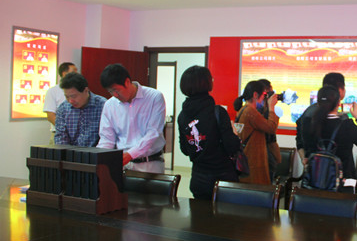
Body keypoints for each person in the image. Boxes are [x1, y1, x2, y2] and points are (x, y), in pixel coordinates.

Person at [177, 66, 241, 199]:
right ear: (206, 83)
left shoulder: (182, 116)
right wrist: (235, 135)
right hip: (223, 179)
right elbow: (232, 147)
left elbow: (185, 150)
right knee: (226, 213)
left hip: (198, 179)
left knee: (200, 212)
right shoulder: (218, 112)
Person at [97, 64, 166, 173]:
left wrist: (130, 154)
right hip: (123, 164)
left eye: (116, 90)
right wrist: (100, 159)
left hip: (150, 163)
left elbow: (153, 132)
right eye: (110, 91)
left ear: (127, 82)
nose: (115, 95)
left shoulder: (154, 97)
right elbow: (107, 139)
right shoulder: (110, 105)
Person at [302, 85, 357, 180]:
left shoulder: (307, 123)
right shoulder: (347, 125)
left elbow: (307, 149)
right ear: (338, 104)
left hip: (315, 179)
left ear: (318, 103)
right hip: (343, 180)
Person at [233, 80, 279, 184]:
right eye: (263, 95)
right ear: (255, 95)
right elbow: (271, 128)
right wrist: (271, 107)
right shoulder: (250, 112)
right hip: (253, 161)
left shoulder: (243, 110)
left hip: (247, 158)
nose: (264, 98)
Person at [295, 72, 346, 166]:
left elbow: (300, 142)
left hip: (315, 167)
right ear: (340, 90)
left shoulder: (309, 112)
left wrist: (305, 160)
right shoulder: (342, 119)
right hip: (337, 169)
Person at [54, 72, 107, 147]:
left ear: (86, 90)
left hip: (97, 152)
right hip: (69, 153)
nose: (70, 101)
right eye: (67, 97)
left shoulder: (103, 106)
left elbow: (108, 138)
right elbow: (60, 138)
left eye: (74, 96)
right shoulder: (63, 109)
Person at [43, 62, 77, 143]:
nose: (77, 74)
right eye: (74, 71)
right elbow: (50, 115)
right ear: (64, 73)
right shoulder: (53, 91)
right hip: (59, 135)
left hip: (76, 136)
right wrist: (65, 130)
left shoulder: (79, 90)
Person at [258, 79, 282, 182]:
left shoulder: (263, 110)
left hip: (266, 153)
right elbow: (271, 130)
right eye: (270, 93)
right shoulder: (257, 112)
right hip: (263, 154)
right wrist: (271, 107)